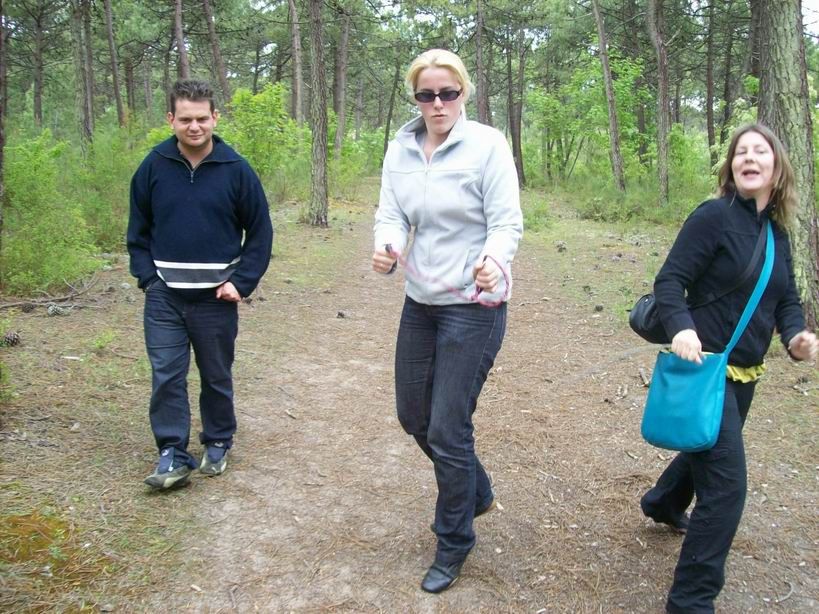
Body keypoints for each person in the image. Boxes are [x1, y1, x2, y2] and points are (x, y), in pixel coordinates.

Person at [641, 123, 818, 612]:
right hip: (703, 367)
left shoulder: (777, 234)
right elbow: (670, 281)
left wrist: (796, 337)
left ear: (777, 169)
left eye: (760, 151)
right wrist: (681, 327)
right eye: (742, 151)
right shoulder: (713, 217)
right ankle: (691, 600)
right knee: (726, 488)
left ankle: (662, 502)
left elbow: (786, 298)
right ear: (732, 166)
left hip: (744, 375)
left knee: (704, 445)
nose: (750, 157)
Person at [372, 49, 523, 593]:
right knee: (413, 415)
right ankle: (475, 490)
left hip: (474, 305)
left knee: (447, 426)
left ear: (464, 94)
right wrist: (388, 245)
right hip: (421, 302)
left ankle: (454, 540)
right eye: (426, 94)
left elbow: (506, 223)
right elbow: (391, 213)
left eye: (448, 93)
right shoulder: (400, 148)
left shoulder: (488, 145)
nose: (437, 104)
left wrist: (494, 261)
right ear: (415, 98)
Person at [127, 79, 273, 490]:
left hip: (216, 298)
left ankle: (218, 440)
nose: (194, 126)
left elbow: (260, 232)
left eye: (202, 119)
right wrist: (149, 279)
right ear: (171, 119)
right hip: (164, 297)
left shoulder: (236, 169)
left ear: (215, 118)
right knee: (167, 376)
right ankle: (172, 452)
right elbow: (137, 231)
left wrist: (240, 282)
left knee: (215, 374)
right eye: (186, 119)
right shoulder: (153, 166)